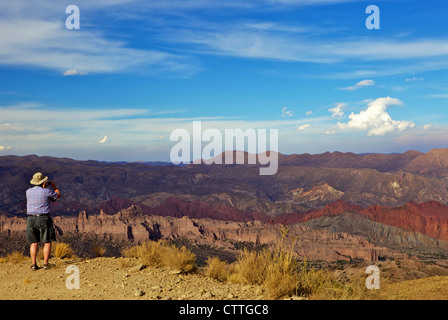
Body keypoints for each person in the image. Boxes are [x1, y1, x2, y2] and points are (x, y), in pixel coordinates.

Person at [26, 172, 61, 270]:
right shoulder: (46, 192)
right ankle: (46, 264)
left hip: (30, 219)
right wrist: (54, 187)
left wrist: (43, 187)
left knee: (33, 243)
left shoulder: (28, 191)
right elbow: (58, 195)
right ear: (43, 182)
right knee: (47, 241)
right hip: (43, 218)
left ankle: (34, 265)